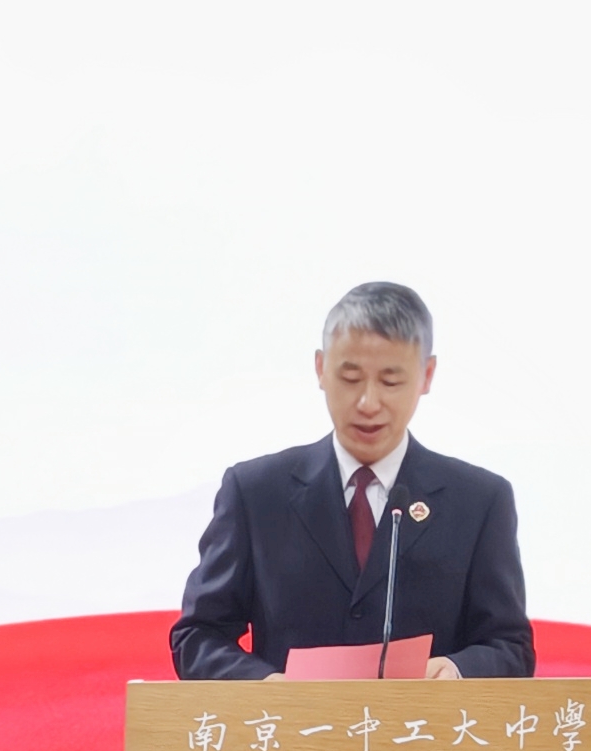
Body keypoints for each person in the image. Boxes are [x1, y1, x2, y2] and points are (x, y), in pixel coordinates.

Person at [169, 283, 533, 683]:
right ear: (320, 369)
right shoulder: (256, 493)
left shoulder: (479, 501)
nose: (368, 403)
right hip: (291, 723)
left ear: (426, 376)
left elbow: (510, 646)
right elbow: (198, 636)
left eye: (390, 382)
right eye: (350, 377)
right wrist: (267, 687)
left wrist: (456, 671)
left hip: (422, 723)